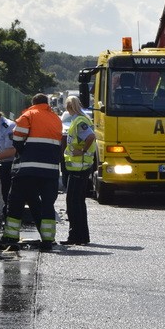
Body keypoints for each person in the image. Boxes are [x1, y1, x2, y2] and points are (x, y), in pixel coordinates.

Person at [0, 93, 63, 253]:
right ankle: (48, 240)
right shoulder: (56, 119)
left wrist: (23, 153)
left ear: (33, 102)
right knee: (47, 204)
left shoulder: (28, 115)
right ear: (47, 103)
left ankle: (10, 237)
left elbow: (17, 140)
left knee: (15, 201)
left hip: (28, 170)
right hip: (50, 171)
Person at [61, 95, 95, 246]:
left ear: (69, 108)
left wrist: (82, 151)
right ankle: (82, 236)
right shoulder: (81, 119)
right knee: (79, 202)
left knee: (73, 202)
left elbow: (90, 137)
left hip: (79, 167)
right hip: (80, 167)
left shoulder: (79, 121)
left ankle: (75, 236)